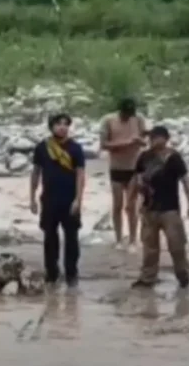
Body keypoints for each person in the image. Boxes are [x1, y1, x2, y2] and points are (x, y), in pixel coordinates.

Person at [127, 126, 189, 289]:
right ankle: (148, 277)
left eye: (158, 137)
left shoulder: (174, 158)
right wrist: (130, 200)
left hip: (170, 209)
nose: (154, 140)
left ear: (166, 139)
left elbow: (185, 181)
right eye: (152, 137)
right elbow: (136, 179)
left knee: (176, 245)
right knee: (149, 247)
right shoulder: (144, 157)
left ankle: (182, 274)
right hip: (149, 208)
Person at [29, 113, 86, 286]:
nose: (62, 127)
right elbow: (36, 173)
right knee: (50, 238)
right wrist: (32, 197)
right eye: (58, 124)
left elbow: (80, 175)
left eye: (65, 124)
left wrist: (78, 199)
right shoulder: (42, 148)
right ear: (51, 126)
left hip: (69, 199)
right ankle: (51, 272)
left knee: (71, 238)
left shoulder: (75, 148)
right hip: (49, 199)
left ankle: (71, 272)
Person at [99, 97, 146, 251]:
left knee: (131, 206)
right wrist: (127, 143)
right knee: (117, 205)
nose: (128, 117)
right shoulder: (108, 120)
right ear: (120, 111)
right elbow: (104, 144)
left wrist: (142, 140)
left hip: (134, 167)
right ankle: (118, 239)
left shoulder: (138, 119)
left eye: (130, 114)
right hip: (116, 167)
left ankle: (133, 240)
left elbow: (144, 137)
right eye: (126, 114)